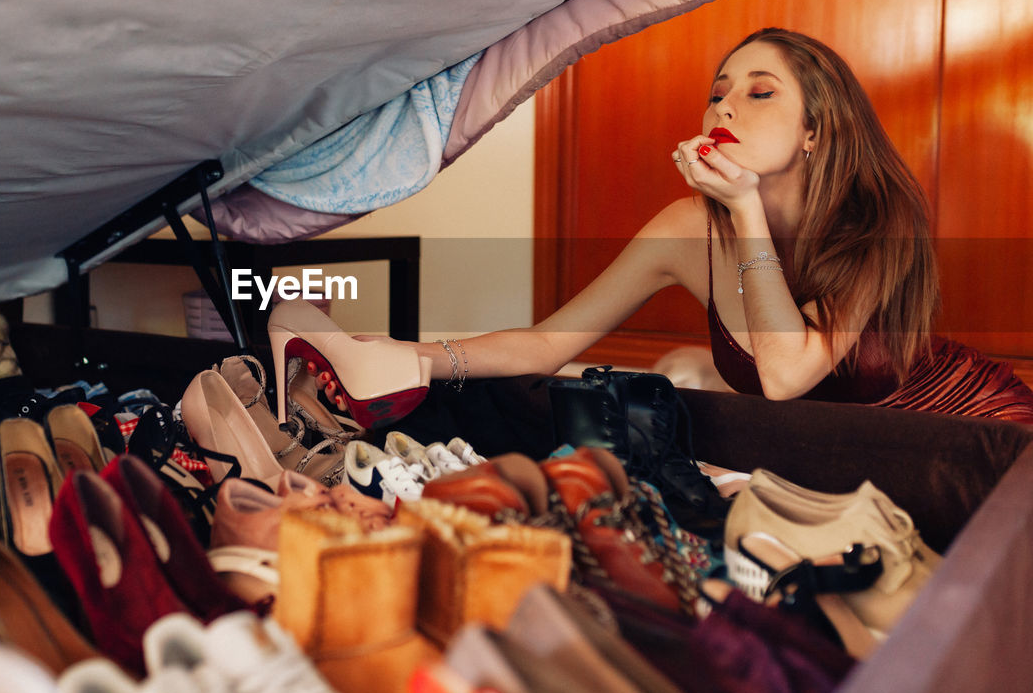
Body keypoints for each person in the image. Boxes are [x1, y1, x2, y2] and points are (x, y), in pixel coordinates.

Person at [309, 28, 1033, 454]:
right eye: (718, 90)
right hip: (837, 458)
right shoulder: (687, 228)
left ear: (816, 128)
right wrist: (410, 355)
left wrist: (745, 210)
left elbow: (785, 373)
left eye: (759, 90)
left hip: (966, 432)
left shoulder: (877, 219)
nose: (724, 102)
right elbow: (547, 344)